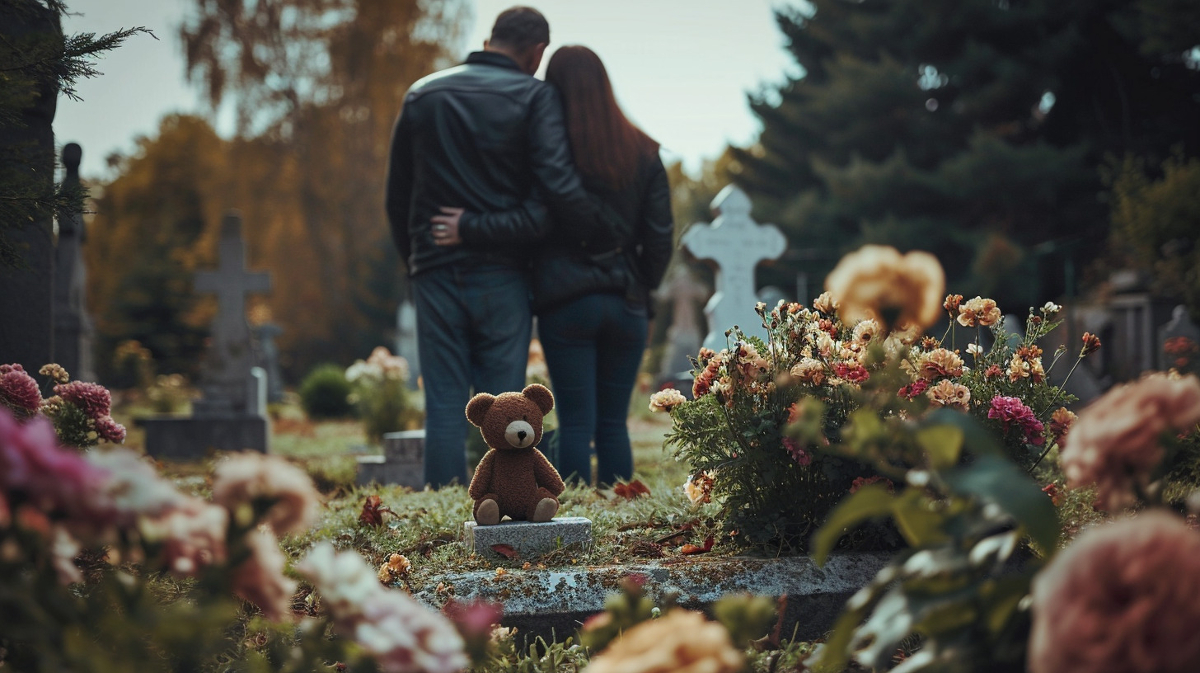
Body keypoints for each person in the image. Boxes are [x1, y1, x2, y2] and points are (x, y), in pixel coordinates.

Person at [385, 7, 619, 488]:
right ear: (537, 51)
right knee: (505, 406)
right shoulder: (535, 97)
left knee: (445, 405)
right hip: (505, 275)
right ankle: (508, 506)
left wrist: (419, 262)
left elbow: (397, 197)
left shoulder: (422, 93)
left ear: (490, 40)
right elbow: (550, 202)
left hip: (433, 270)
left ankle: (442, 511)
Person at [446, 46, 673, 485]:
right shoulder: (643, 151)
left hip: (565, 303)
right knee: (613, 423)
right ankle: (619, 505)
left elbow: (531, 222)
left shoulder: (548, 155)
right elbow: (660, 237)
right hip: (626, 301)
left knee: (574, 421)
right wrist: (640, 291)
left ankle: (570, 512)